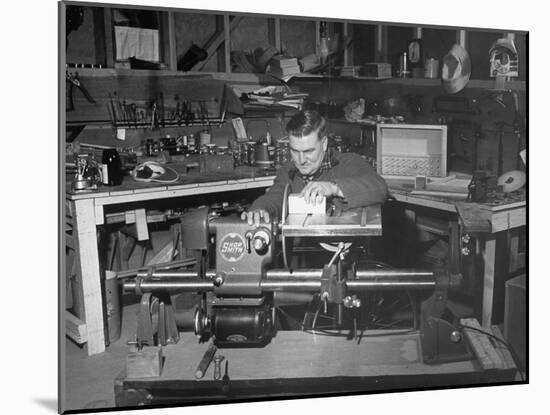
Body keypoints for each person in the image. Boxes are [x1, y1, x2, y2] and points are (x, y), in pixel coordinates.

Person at [241, 110, 388, 226]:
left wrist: (333, 188)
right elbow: (275, 196)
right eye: (294, 151)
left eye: (308, 151)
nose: (300, 160)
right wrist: (259, 209)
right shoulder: (289, 171)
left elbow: (380, 188)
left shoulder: (349, 163)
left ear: (324, 144)